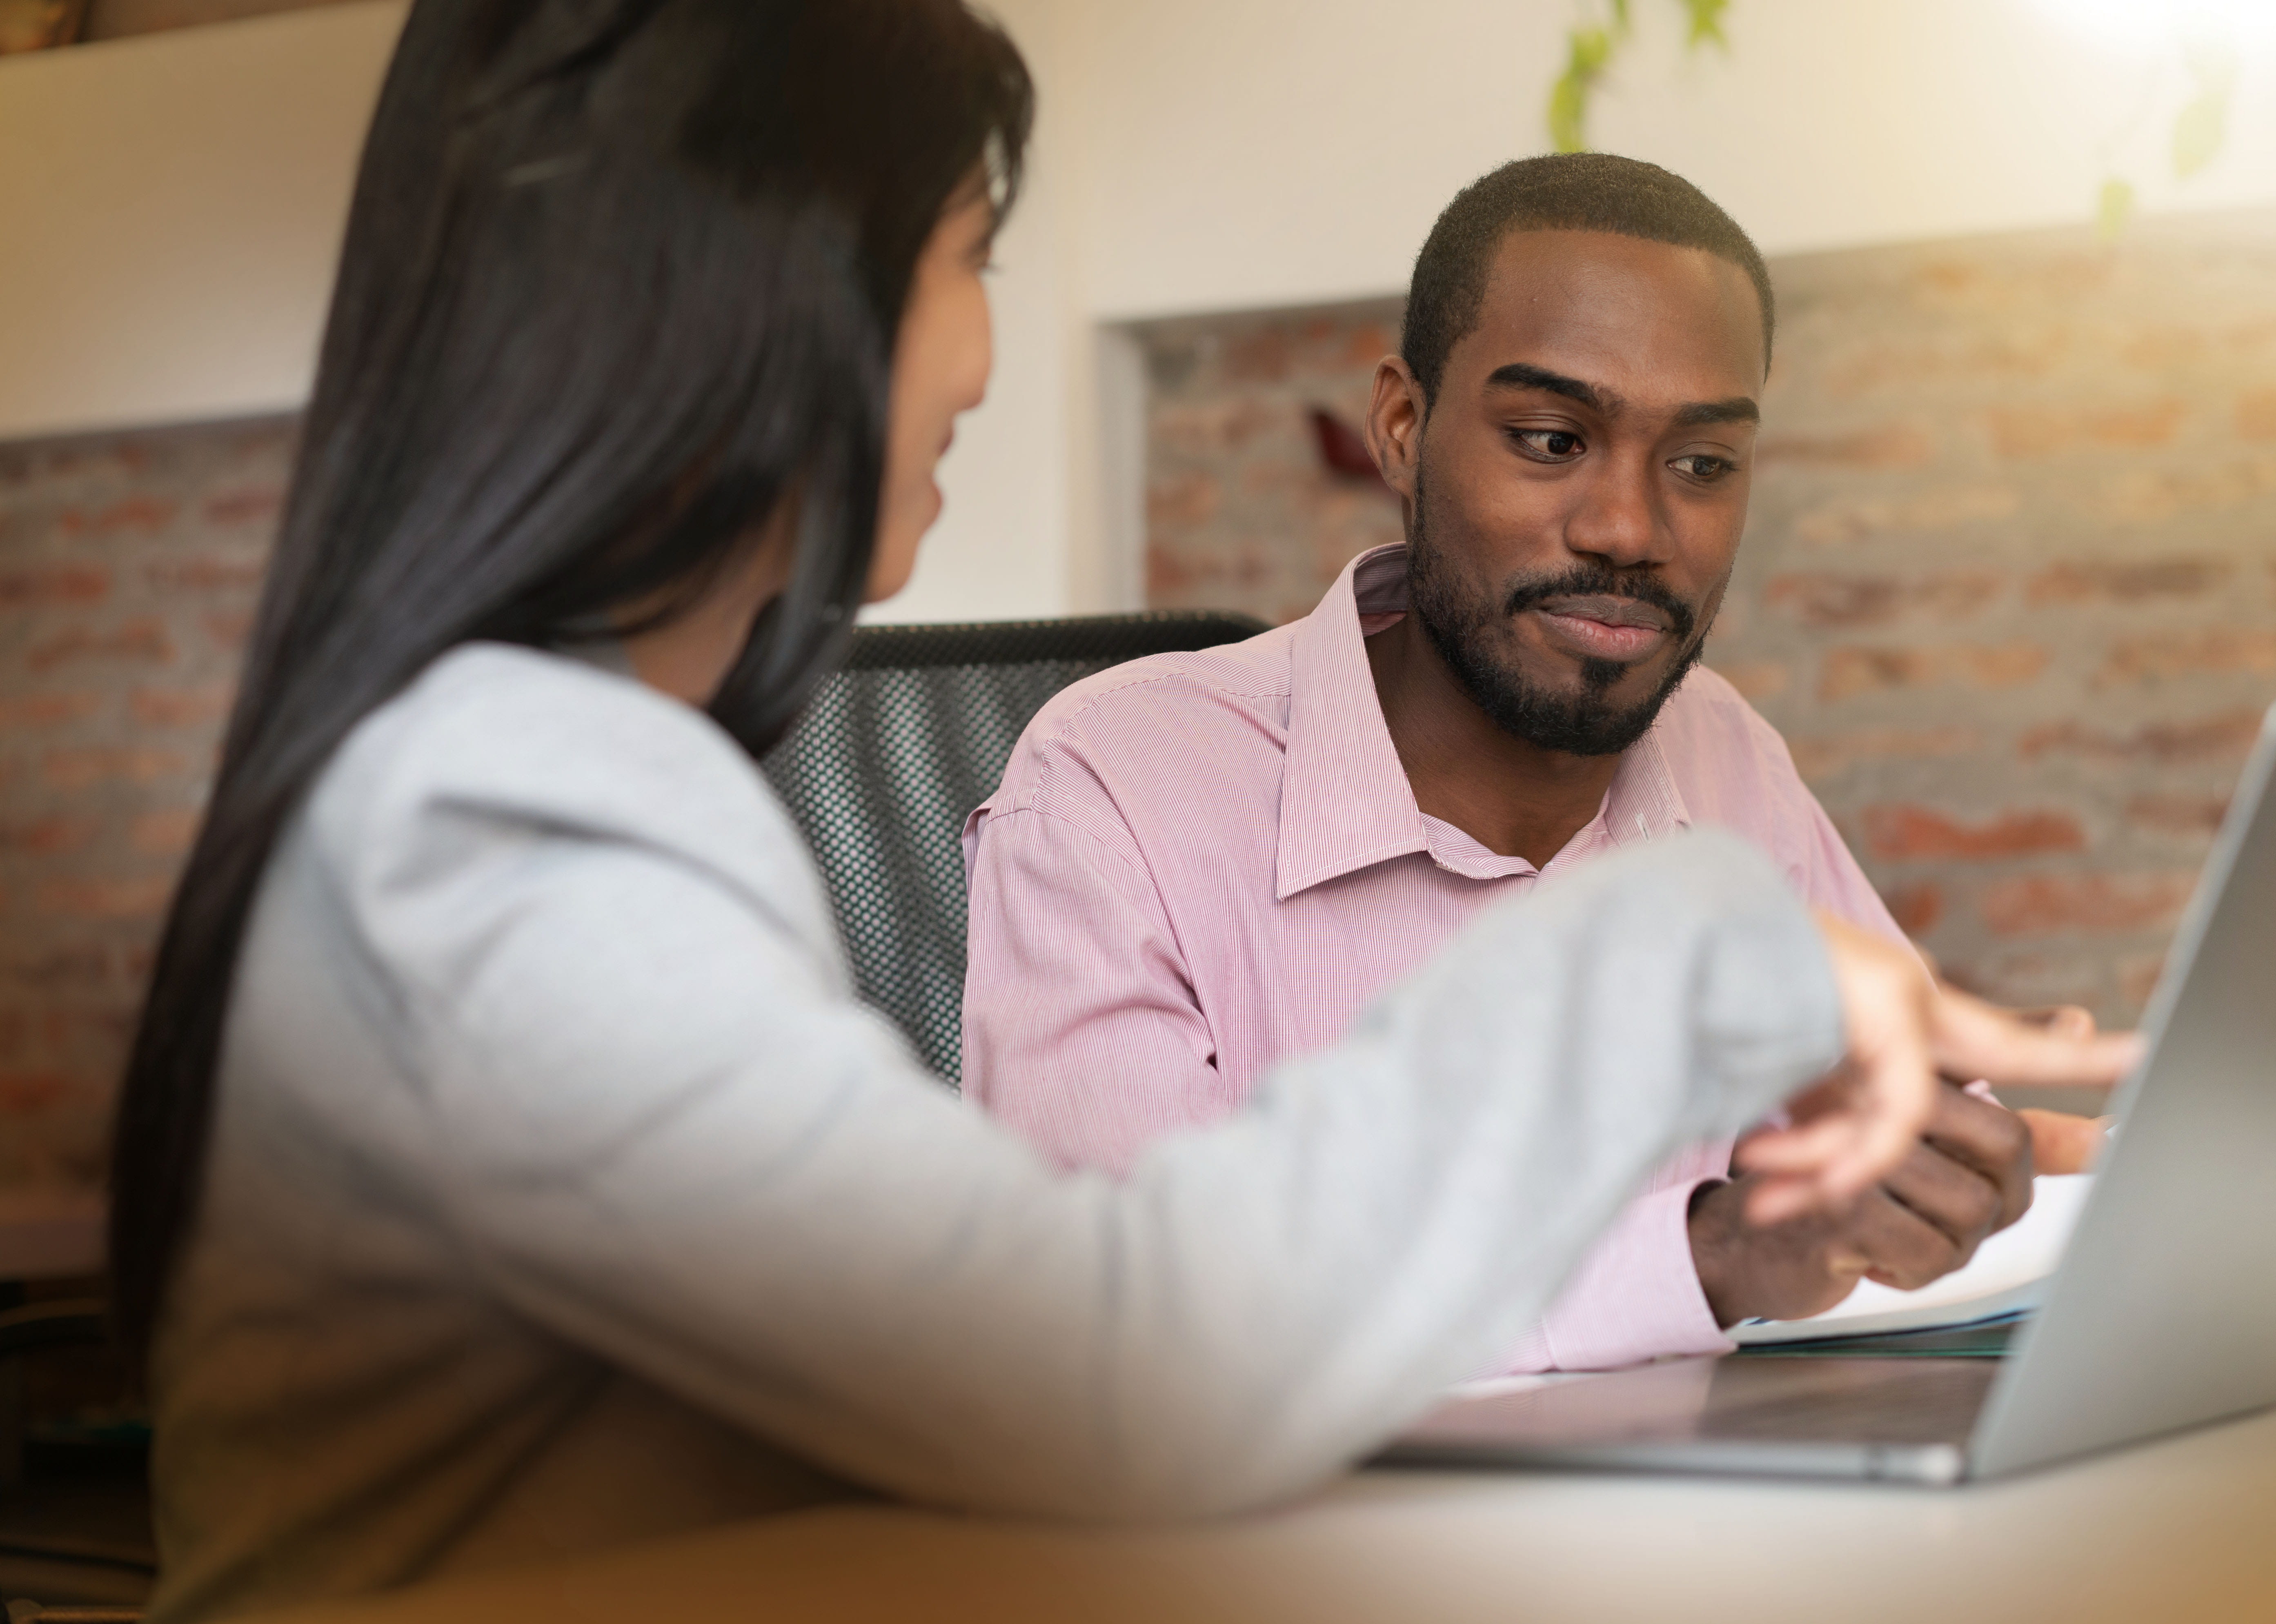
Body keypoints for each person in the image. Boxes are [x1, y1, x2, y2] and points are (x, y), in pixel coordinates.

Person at [107, 5, 2134, 1620]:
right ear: (755, 300)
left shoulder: (542, 780)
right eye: (965, 260)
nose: (983, 357)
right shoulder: (501, 817)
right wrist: (1698, 936)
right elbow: (1104, 1374)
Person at [962, 154, 2103, 1370]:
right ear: (1403, 428)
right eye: (1553, 439)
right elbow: (1136, 1334)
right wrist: (1714, 1256)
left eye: (1702, 465)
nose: (1627, 530)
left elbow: (1879, 1149)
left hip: (1728, 1528)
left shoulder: (1719, 754)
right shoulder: (1107, 790)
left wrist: (1988, 1163)